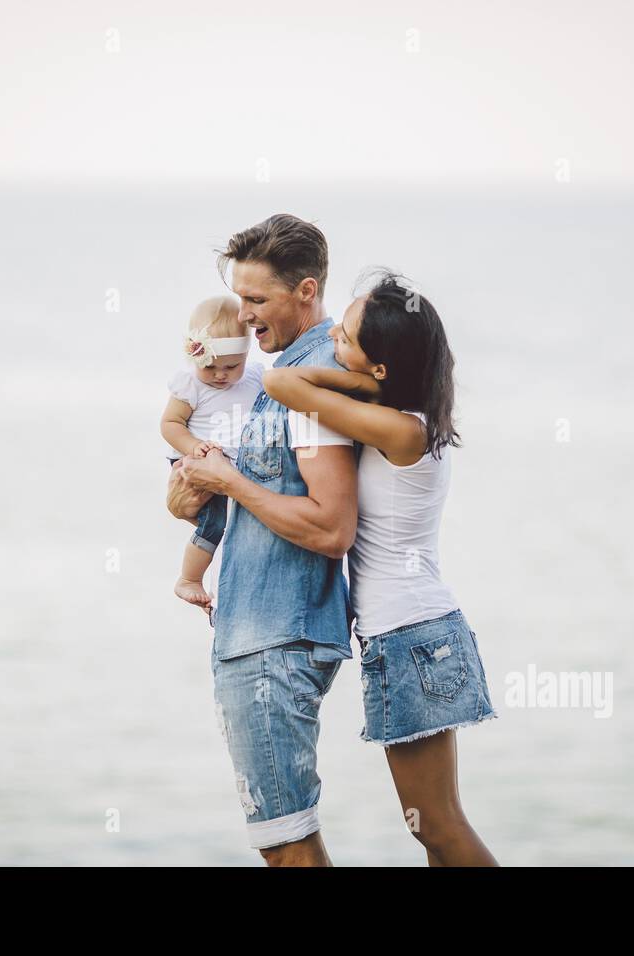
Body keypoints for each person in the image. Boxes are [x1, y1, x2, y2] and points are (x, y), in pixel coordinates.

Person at [261, 270, 501, 866]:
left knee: (438, 826)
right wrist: (362, 376)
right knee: (436, 826)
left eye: (343, 336)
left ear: (382, 369)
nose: (332, 342)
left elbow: (283, 383)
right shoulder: (411, 418)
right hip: (421, 631)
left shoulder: (399, 430)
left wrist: (351, 382)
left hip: (409, 636)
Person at [170, 214, 357, 865]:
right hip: (259, 632)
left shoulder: (309, 379)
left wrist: (231, 480)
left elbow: (331, 526)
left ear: (305, 291)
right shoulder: (281, 377)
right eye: (238, 296)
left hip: (277, 637)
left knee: (288, 849)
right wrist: (193, 490)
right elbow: (245, 491)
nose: (242, 316)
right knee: (283, 843)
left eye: (256, 300)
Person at [159, 295, 263, 613]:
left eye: (231, 366)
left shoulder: (255, 378)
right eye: (210, 367)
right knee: (214, 522)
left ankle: (223, 590)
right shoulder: (191, 385)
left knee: (236, 525)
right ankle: (188, 578)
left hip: (234, 465)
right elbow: (170, 424)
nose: (220, 375)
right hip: (198, 461)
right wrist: (194, 446)